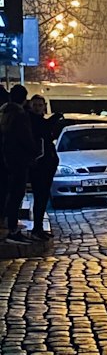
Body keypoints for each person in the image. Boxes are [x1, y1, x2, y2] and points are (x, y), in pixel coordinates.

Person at [0, 85, 37, 240]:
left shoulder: (5, 112)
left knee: (11, 193)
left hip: (8, 158)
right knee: (17, 193)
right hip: (18, 159)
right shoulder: (19, 115)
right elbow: (25, 137)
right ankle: (13, 228)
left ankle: (10, 225)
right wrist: (34, 151)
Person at [27, 94, 59, 242]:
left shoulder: (39, 120)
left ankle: (38, 228)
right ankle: (36, 229)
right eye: (35, 105)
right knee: (40, 196)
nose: (38, 108)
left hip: (47, 163)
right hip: (39, 165)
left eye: (40, 105)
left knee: (43, 197)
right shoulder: (30, 121)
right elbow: (42, 132)